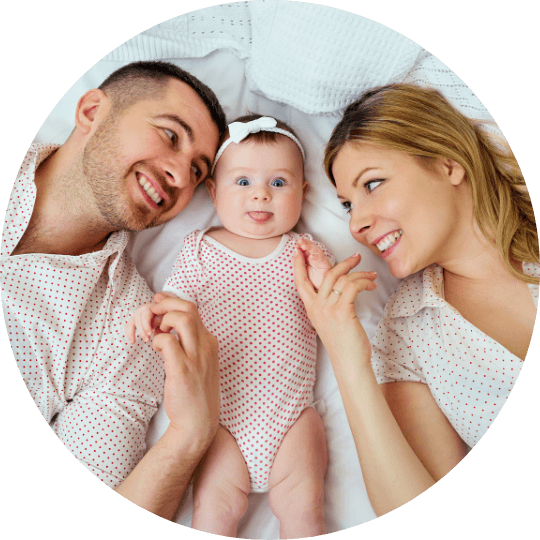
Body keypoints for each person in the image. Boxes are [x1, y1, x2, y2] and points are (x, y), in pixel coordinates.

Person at [293, 83, 539, 516]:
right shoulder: (408, 331)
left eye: (373, 184)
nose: (357, 223)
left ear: (448, 164)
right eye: (347, 205)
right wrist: (346, 356)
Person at [1, 60, 227, 519]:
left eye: (197, 171)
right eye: (170, 135)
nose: (181, 177)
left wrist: (191, 434)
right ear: (91, 111)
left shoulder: (131, 329)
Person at [126, 114, 334, 538]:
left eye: (279, 182)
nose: (261, 194)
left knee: (304, 508)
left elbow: (330, 309)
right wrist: (152, 313)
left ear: (302, 192)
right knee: (214, 510)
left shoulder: (303, 250)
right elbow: (173, 303)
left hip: (292, 414)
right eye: (243, 181)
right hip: (220, 418)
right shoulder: (199, 249)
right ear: (214, 192)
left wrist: (324, 273)